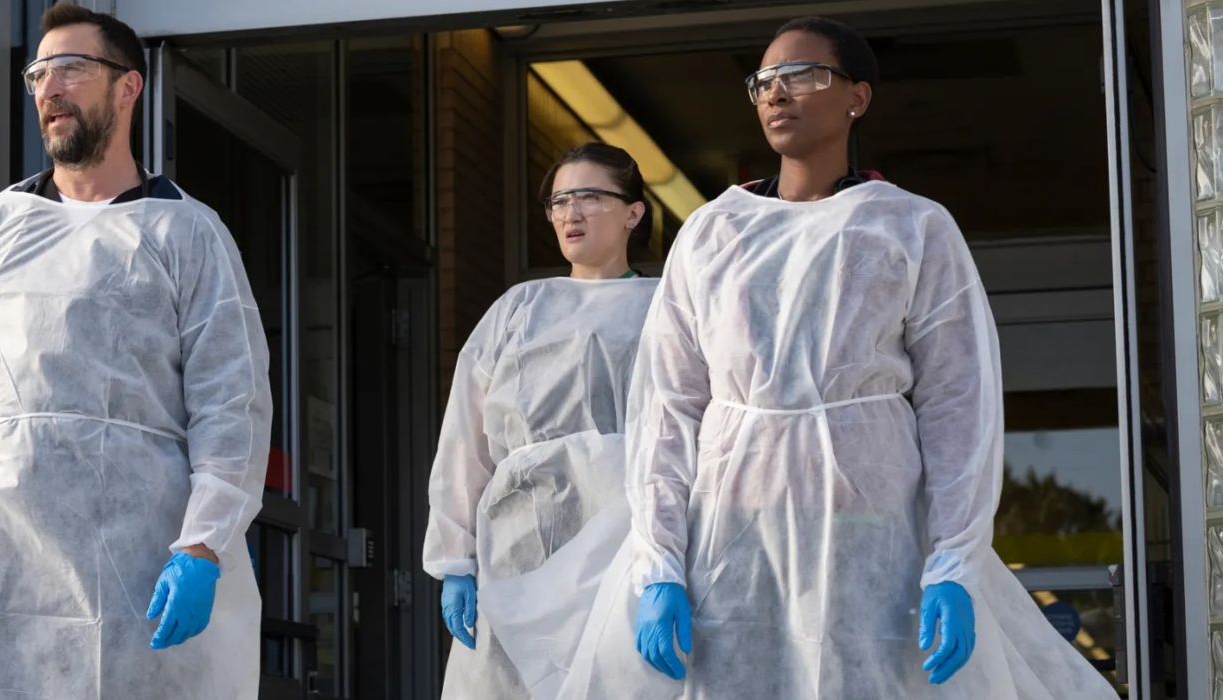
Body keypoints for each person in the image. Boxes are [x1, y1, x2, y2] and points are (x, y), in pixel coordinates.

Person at [558, 16, 1119, 699]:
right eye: (763, 80)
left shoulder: (909, 227)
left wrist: (953, 560)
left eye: (802, 76)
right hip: (732, 540)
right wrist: (660, 563)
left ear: (857, 97)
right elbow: (667, 405)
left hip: (871, 537)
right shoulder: (713, 232)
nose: (776, 93)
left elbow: (957, 401)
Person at [0, 4, 270, 698]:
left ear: (127, 87)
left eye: (72, 68)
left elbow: (231, 407)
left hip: (140, 575)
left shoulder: (187, 235)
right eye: (39, 73)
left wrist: (203, 545)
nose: (50, 88)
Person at [423, 143, 660, 698]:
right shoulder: (518, 310)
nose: (571, 213)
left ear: (633, 212)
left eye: (590, 197)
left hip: (627, 547)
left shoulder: (666, 306)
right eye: (559, 201)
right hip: (519, 551)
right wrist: (455, 559)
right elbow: (465, 440)